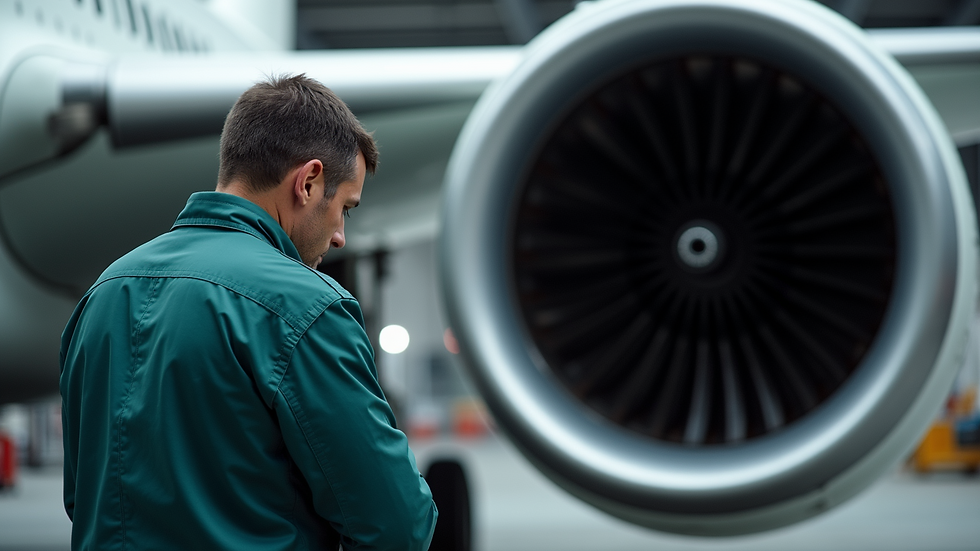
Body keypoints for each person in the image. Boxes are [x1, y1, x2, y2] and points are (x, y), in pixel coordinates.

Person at [59, 75, 437, 550]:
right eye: (345, 208)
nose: (340, 235)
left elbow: (83, 496)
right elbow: (396, 523)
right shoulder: (307, 308)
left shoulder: (103, 293)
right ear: (308, 181)